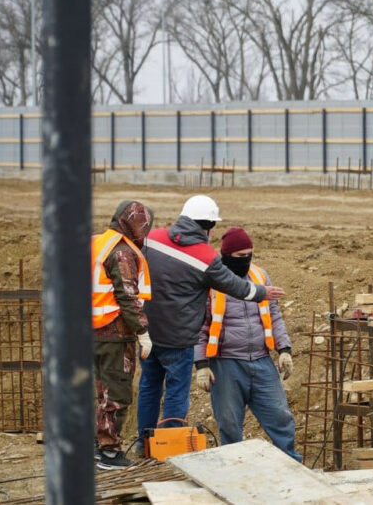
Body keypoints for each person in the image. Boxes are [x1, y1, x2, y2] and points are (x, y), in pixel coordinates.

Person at [137, 195, 284, 454]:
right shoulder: (205, 256)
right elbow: (235, 286)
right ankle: (168, 449)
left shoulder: (152, 238)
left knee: (149, 386)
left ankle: (143, 443)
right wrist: (263, 292)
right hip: (179, 337)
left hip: (147, 332)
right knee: (176, 391)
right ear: (209, 227)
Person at [193, 227, 301, 462]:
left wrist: (284, 349)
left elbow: (274, 315)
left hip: (261, 361)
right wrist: (201, 364)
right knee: (229, 424)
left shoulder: (260, 276)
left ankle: (291, 464)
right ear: (227, 255)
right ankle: (235, 470)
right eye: (240, 256)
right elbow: (200, 326)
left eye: (249, 254)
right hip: (226, 364)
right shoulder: (211, 282)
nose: (246, 260)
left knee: (281, 417)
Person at [91, 200, 154, 470]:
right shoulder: (122, 252)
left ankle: (97, 446)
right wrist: (142, 331)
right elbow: (127, 296)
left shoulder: (97, 242)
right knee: (116, 395)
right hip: (115, 333)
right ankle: (109, 452)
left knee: (102, 394)